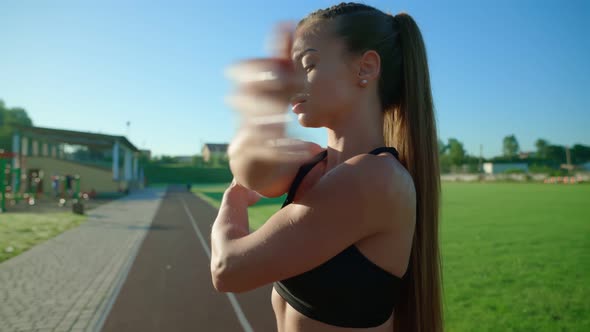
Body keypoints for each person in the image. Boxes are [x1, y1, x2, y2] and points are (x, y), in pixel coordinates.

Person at [211, 3, 442, 332]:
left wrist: (232, 199)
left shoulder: (377, 179)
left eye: (308, 64)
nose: (294, 83)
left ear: (365, 68)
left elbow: (228, 268)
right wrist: (262, 112)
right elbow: (251, 170)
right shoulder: (310, 161)